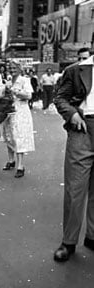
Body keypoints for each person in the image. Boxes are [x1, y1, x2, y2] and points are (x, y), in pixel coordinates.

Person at [53, 54, 94, 262]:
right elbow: (59, 97)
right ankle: (68, 242)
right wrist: (72, 114)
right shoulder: (76, 70)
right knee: (75, 188)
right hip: (83, 128)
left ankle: (92, 236)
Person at [2, 59, 35, 178]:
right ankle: (11, 160)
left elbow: (29, 95)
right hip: (9, 111)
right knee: (9, 136)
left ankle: (20, 165)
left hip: (20, 111)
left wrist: (16, 92)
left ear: (20, 69)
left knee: (19, 137)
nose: (12, 70)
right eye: (10, 68)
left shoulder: (24, 80)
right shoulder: (8, 80)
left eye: (14, 68)